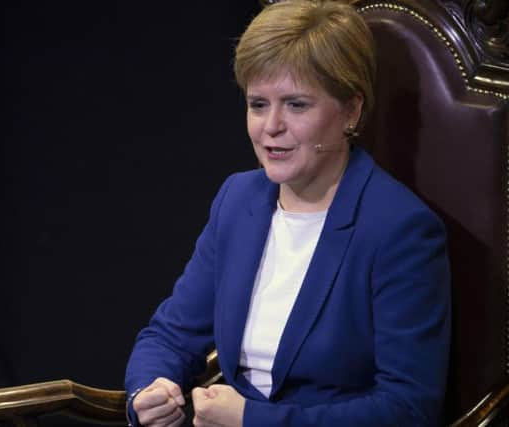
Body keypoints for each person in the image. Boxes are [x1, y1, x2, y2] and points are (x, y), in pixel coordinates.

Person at [124, 1, 451, 426]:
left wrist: (251, 420)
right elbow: (171, 335)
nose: (271, 127)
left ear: (351, 110)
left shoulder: (401, 230)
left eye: (296, 105)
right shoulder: (237, 198)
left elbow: (407, 410)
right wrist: (150, 389)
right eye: (258, 104)